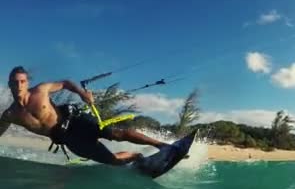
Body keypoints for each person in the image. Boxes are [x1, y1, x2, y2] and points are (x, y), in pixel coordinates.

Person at [0, 66, 170, 165]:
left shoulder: (41, 90)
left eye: (22, 81)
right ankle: (137, 156)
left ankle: (162, 145)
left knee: (115, 134)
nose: (19, 85)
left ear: (27, 82)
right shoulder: (10, 114)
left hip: (75, 121)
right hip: (67, 139)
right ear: (9, 84)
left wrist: (82, 94)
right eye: (15, 82)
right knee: (112, 161)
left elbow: (65, 83)